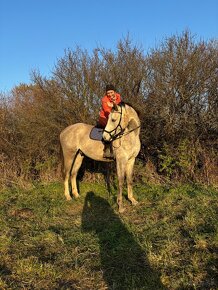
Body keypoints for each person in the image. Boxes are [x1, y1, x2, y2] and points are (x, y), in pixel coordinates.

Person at [98, 84, 122, 158]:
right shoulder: (104, 99)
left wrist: (113, 103)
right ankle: (107, 149)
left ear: (114, 92)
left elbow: (119, 107)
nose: (110, 94)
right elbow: (107, 110)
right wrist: (112, 107)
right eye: (108, 93)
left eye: (111, 92)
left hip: (115, 116)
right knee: (109, 130)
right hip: (105, 117)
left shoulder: (118, 96)